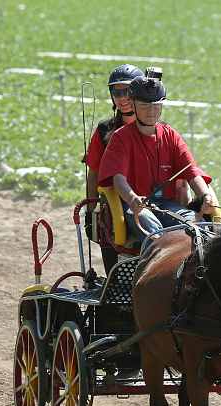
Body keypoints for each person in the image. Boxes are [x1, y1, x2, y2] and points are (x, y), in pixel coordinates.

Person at [98, 69, 217, 248]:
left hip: (166, 205)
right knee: (149, 223)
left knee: (192, 221)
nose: (151, 110)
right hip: (136, 207)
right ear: (133, 104)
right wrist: (132, 199)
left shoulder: (171, 135)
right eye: (144, 105)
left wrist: (206, 196)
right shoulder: (121, 137)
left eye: (156, 105)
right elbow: (118, 179)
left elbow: (192, 172)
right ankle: (153, 269)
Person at [82, 64, 143, 274]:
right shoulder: (104, 130)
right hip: (117, 204)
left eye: (126, 91)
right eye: (116, 92)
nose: (122, 97)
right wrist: (90, 211)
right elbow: (95, 172)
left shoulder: (157, 128)